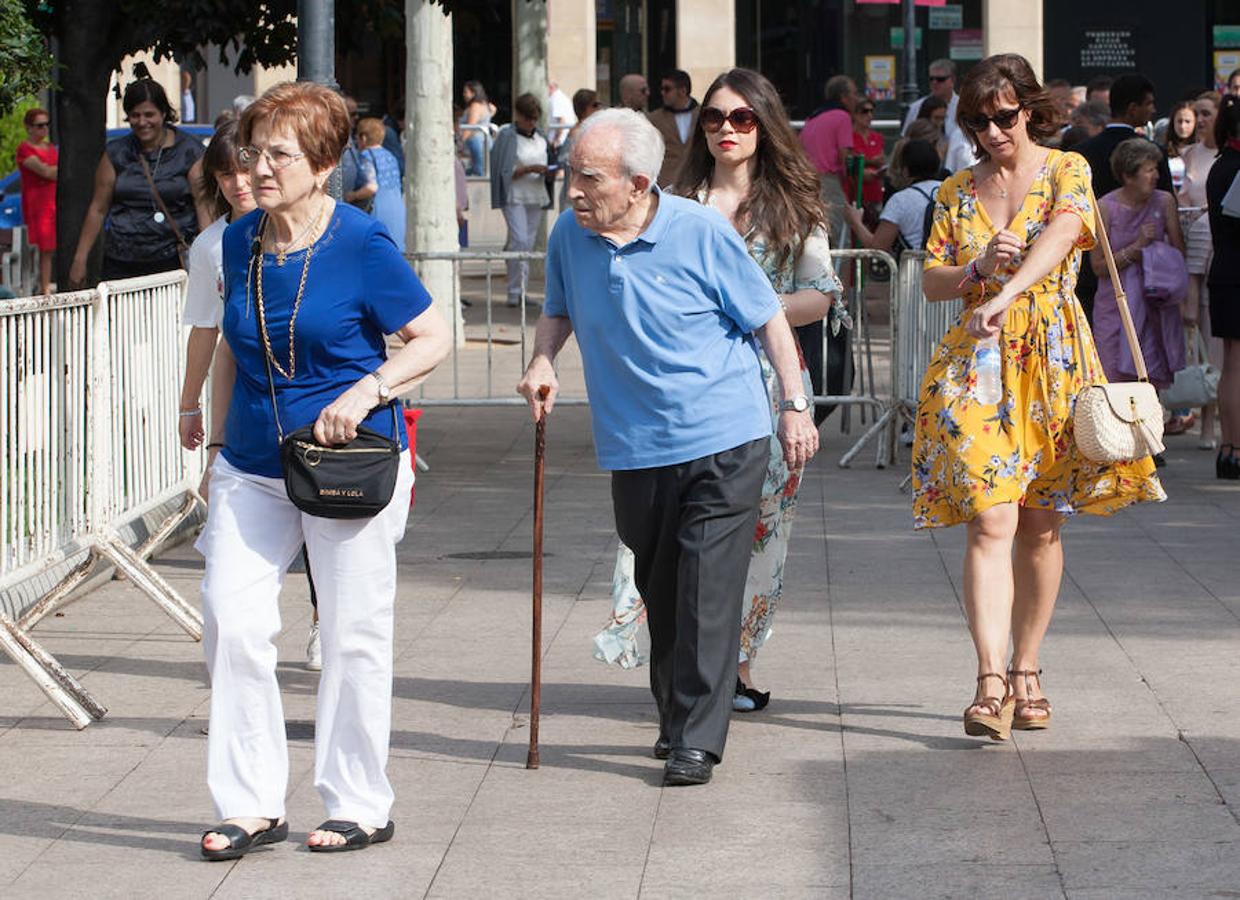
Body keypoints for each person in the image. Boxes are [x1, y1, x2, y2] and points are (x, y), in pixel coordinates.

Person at [517, 107, 818, 786]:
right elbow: (558, 308)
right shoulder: (571, 233)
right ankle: (675, 716)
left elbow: (767, 316)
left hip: (725, 434)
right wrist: (543, 362)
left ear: (640, 182)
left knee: (709, 588)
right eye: (572, 174)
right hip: (634, 443)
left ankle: (697, 740)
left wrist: (794, 407)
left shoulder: (702, 231)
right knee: (662, 584)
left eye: (589, 178)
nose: (573, 191)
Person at [195, 81, 451, 859]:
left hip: (348, 463)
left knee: (351, 633)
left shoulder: (361, 242)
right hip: (250, 462)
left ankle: (359, 802)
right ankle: (250, 803)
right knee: (231, 621)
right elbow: (235, 352)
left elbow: (433, 337)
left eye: (280, 153)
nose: (260, 168)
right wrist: (211, 447)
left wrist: (368, 389)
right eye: (253, 151)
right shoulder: (238, 241)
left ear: (325, 162)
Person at [912, 53, 1164, 742]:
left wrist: (1012, 285)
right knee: (990, 519)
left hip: (1052, 361)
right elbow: (930, 280)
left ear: (1030, 109)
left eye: (1004, 116)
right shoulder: (955, 192)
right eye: (977, 121)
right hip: (977, 367)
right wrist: (973, 270)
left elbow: (1064, 236)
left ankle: (1028, 669)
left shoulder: (1067, 169)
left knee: (1041, 524)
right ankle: (989, 681)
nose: (992, 131)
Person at [596, 68, 842, 710]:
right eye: (713, 118)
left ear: (765, 125)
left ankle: (735, 663)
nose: (726, 129)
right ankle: (681, 662)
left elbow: (823, 294)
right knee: (668, 528)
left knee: (762, 530)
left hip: (769, 383)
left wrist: (754, 308)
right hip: (683, 383)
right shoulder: (674, 200)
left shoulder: (796, 203)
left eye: (741, 118)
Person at [68, 78, 208, 286]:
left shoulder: (190, 151)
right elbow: (98, 208)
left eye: (149, 114)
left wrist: (209, 255)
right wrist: (80, 259)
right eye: (135, 115)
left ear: (163, 113)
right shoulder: (116, 153)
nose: (142, 122)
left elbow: (203, 204)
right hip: (121, 259)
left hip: (171, 259)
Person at [1073, 73, 1174, 323]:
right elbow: (1166, 202)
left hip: (1088, 266)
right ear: (1132, 109)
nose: (1153, 110)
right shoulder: (1154, 153)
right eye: (1148, 103)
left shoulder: (1082, 152)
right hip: (1146, 275)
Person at [1092, 138, 1186, 392]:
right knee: (1113, 381)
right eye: (1149, 170)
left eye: (1156, 168)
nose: (1156, 175)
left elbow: (1179, 254)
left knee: (1149, 383)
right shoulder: (1105, 208)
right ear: (1128, 176)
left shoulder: (1164, 201)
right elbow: (1098, 266)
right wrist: (1137, 248)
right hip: (1115, 306)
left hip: (1153, 303)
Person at [1206, 95, 1240, 478]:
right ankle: (1235, 448)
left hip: (1225, 269)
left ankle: (1229, 447)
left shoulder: (1220, 166)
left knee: (1231, 362)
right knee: (1236, 364)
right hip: (1236, 271)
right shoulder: (1235, 167)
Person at [489, 93, 549, 308]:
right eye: (528, 118)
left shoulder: (540, 136)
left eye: (534, 119)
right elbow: (502, 170)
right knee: (520, 240)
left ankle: (520, 289)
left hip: (536, 192)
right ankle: (514, 290)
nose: (531, 123)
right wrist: (526, 170)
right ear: (519, 116)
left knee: (528, 243)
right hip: (515, 194)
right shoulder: (507, 135)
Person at [843, 139, 943, 253]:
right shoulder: (953, 191)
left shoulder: (900, 200)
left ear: (905, 171)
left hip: (916, 267)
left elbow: (878, 247)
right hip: (950, 266)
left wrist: (855, 222)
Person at [800, 74, 857, 245]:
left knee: (815, 236)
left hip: (807, 180)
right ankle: (843, 272)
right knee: (841, 237)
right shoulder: (842, 117)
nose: (857, 98)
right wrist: (853, 179)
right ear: (844, 97)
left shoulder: (813, 118)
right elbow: (844, 155)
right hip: (828, 181)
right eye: (854, 93)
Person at [15, 107, 58, 295]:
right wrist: (58, 171)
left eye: (47, 125)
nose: (44, 129)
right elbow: (45, 171)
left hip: (52, 201)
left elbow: (51, 172)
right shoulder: (24, 148)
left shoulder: (51, 148)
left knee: (49, 248)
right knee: (39, 246)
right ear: (29, 127)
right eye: (40, 125)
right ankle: (40, 287)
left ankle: (45, 287)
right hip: (36, 204)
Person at [356, 117, 406, 247]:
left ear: (364, 138)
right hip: (398, 208)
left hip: (379, 209)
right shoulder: (391, 156)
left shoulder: (366, 155)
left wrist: (350, 196)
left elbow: (371, 187)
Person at [648, 69, 699, 186]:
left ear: (683, 91)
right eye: (662, 89)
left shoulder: (703, 115)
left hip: (696, 181)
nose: (662, 93)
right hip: (665, 184)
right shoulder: (654, 119)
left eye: (667, 89)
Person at [558, 89, 604, 209]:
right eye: (595, 105)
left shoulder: (596, 130)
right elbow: (564, 160)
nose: (599, 109)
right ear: (584, 108)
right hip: (576, 196)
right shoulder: (577, 133)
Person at [1179, 92, 1220, 219]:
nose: (1200, 119)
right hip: (1194, 230)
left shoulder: (1232, 154)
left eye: (1206, 114)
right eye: (1196, 114)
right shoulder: (1188, 153)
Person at [903, 59, 961, 142]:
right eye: (931, 79)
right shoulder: (916, 107)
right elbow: (906, 138)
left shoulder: (964, 106)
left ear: (952, 80)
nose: (934, 82)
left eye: (940, 79)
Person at [848, 97, 886, 222]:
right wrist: (871, 162)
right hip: (855, 192)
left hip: (875, 191)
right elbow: (848, 161)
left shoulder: (877, 137)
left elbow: (881, 160)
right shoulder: (848, 137)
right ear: (854, 114)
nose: (869, 115)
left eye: (871, 111)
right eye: (864, 111)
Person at [460, 81, 493, 176]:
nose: (464, 95)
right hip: (484, 141)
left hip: (476, 141)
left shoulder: (475, 106)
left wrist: (460, 143)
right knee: (478, 169)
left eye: (466, 92)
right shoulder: (484, 104)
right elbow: (493, 110)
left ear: (473, 93)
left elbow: (471, 126)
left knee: (478, 171)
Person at [1163, 100, 1197, 194]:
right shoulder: (1163, 152)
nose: (1182, 126)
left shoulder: (1202, 152)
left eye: (1187, 121)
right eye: (1179, 121)